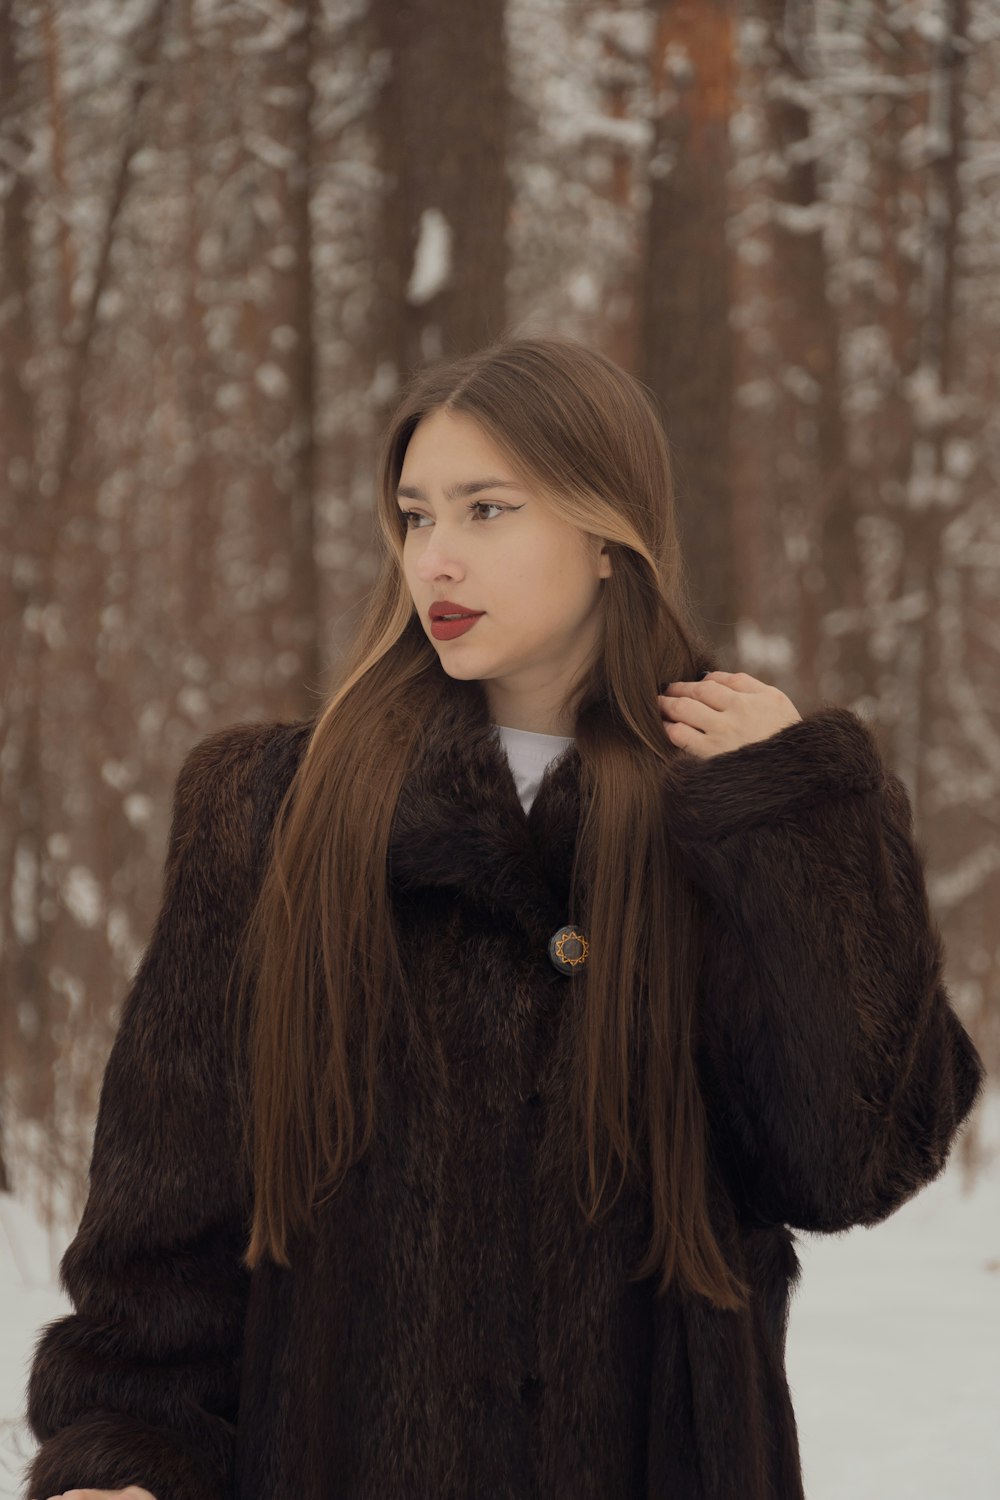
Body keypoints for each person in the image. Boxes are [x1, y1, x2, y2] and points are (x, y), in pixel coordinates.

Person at [24, 335, 985, 1500]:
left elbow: (854, 1163)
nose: (437, 559)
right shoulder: (277, 812)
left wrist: (799, 825)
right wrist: (124, 1457)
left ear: (604, 534)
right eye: (417, 515)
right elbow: (163, 1225)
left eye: (486, 510)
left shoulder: (739, 814)